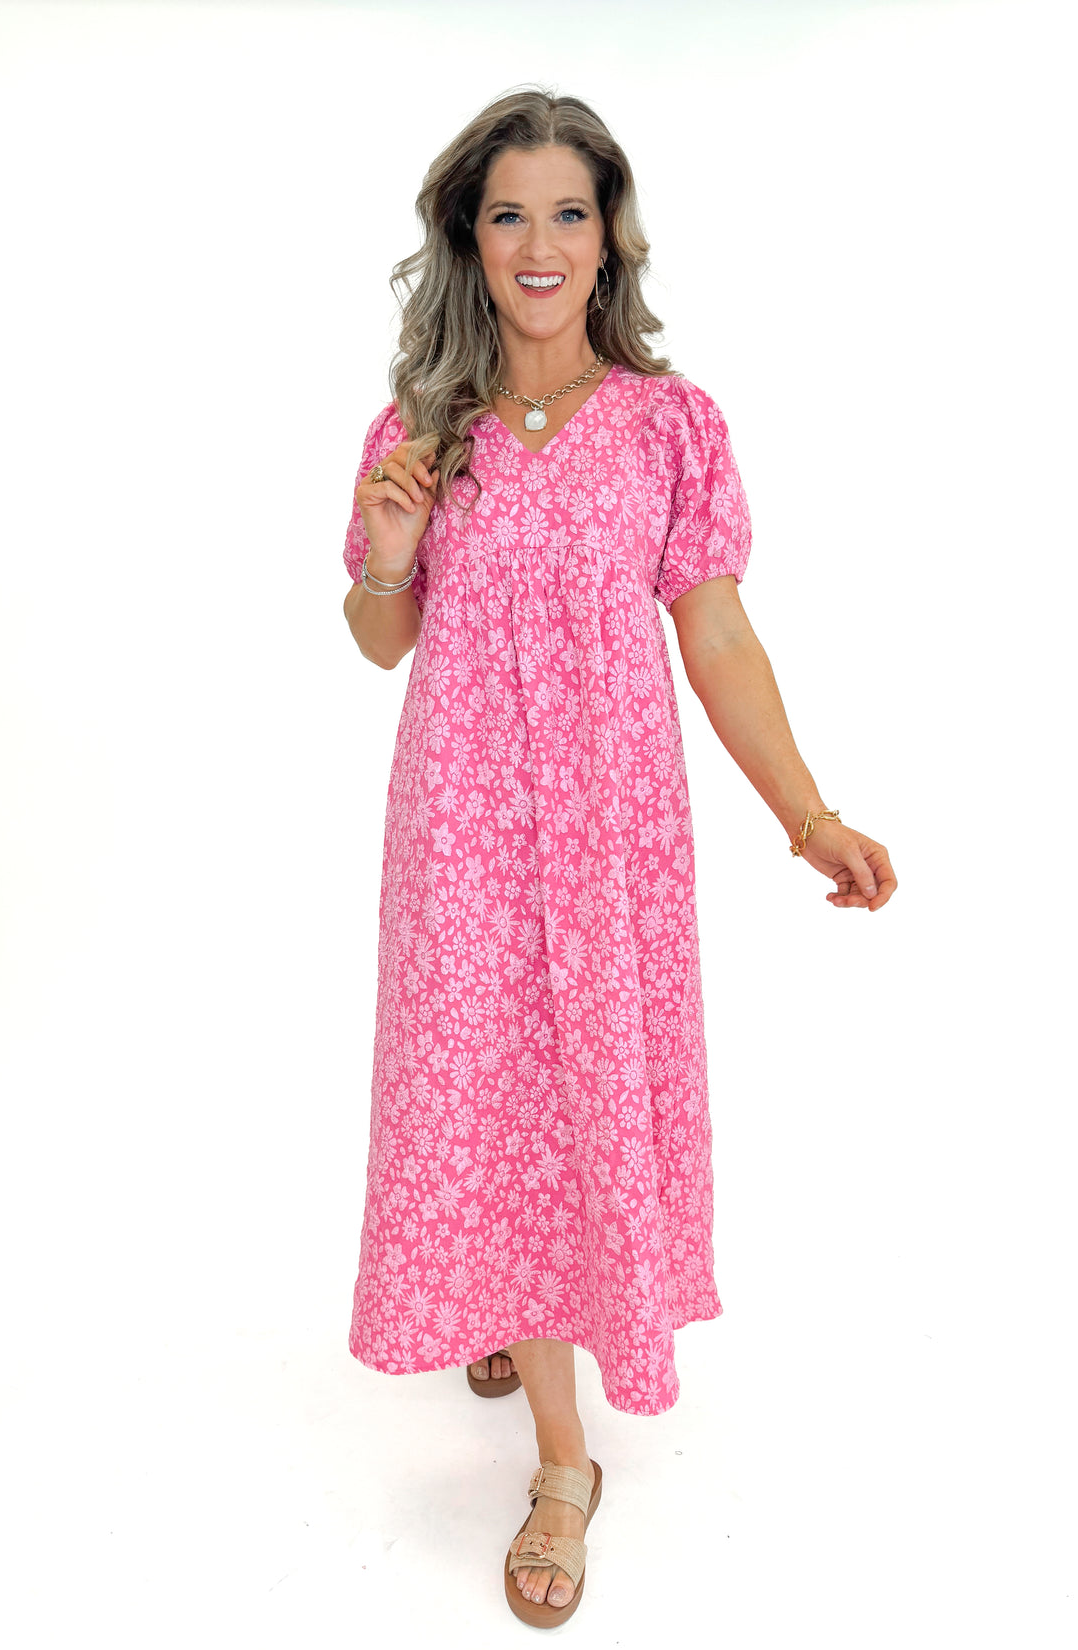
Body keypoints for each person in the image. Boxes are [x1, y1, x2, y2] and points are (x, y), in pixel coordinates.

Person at [341, 87, 898, 1626]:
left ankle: (541, 1368)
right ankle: (562, 1453)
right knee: (481, 1084)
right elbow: (381, 636)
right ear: (470, 237)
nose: (540, 242)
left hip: (609, 841)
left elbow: (716, 634)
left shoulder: (668, 425)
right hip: (461, 831)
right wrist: (387, 557)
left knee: (574, 1093)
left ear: (609, 239)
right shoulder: (420, 429)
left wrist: (809, 815)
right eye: (508, 212)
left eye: (568, 212)